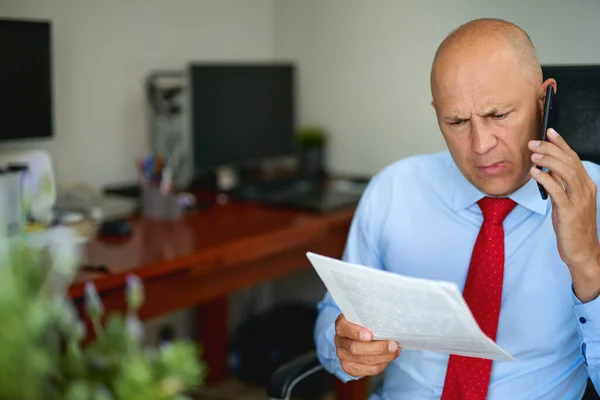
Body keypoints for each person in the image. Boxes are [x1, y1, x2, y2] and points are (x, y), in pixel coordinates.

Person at [314, 18, 600, 400]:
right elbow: (334, 312)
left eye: (498, 114)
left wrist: (587, 264)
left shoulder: (595, 195)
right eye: (456, 121)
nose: (480, 144)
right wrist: (342, 344)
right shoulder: (394, 189)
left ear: (543, 99)